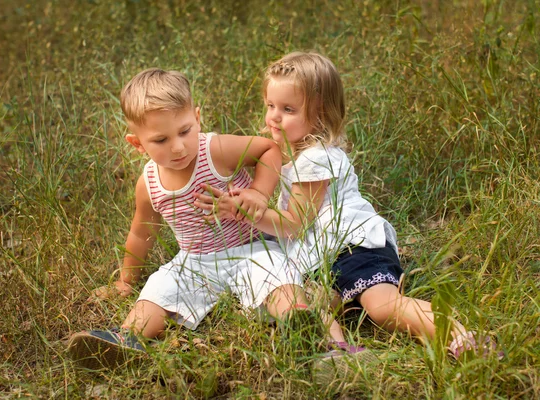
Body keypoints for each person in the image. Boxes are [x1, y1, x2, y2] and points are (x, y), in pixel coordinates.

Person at [193, 52, 501, 376]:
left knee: (381, 308)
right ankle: (341, 354)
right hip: (318, 258)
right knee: (304, 306)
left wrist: (247, 213)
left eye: (288, 109)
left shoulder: (317, 159)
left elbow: (295, 225)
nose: (274, 117)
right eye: (270, 105)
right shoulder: (282, 151)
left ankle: (461, 335)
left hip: (351, 247)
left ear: (320, 113)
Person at [67, 68, 323, 370]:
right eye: (161, 140)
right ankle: (126, 339)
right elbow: (141, 233)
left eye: (185, 131)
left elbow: (268, 148)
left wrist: (257, 192)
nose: (178, 146)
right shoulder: (149, 183)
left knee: (276, 276)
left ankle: (299, 321)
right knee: (160, 287)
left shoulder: (215, 150)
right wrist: (125, 281)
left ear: (197, 118)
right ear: (137, 144)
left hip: (252, 246)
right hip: (196, 259)